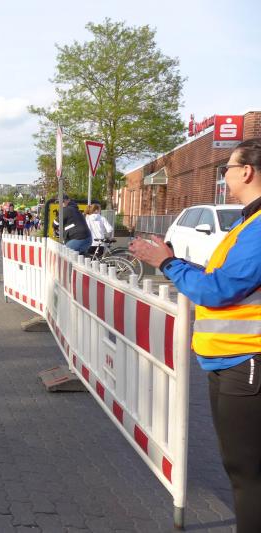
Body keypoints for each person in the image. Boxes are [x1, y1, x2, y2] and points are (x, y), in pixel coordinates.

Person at [129, 139, 261, 533]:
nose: (224, 176)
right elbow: (221, 278)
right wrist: (176, 260)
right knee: (241, 467)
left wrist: (167, 264)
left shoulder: (258, 228)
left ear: (247, 172)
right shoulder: (248, 223)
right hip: (230, 359)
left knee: (247, 471)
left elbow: (218, 290)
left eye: (227, 168)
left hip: (247, 361)